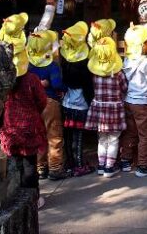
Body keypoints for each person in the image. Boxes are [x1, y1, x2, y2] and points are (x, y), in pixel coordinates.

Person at [0, 37, 48, 209]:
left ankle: (16, 197)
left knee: (14, 164)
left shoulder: (3, 81)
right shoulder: (32, 79)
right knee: (30, 165)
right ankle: (33, 199)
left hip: (10, 127)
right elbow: (42, 101)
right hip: (30, 128)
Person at [120, 23, 147, 177]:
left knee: (131, 132)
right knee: (146, 135)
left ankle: (126, 159)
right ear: (144, 44)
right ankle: (143, 165)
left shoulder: (127, 60)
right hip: (143, 102)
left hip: (129, 100)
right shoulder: (146, 62)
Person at [27, 30, 69, 181]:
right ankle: (55, 168)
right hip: (50, 102)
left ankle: (40, 168)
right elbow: (57, 84)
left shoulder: (27, 65)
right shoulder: (52, 66)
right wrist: (65, 88)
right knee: (54, 134)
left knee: (39, 135)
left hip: (33, 103)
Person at [85, 37, 128, 178]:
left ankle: (101, 165)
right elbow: (125, 88)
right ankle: (110, 167)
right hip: (114, 108)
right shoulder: (119, 73)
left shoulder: (94, 74)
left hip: (99, 107)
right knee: (114, 138)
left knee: (102, 139)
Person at [59, 21, 95, 177]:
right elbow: (89, 88)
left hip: (67, 104)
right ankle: (79, 165)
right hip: (80, 105)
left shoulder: (65, 62)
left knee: (68, 135)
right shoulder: (84, 65)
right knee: (78, 137)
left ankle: (69, 163)